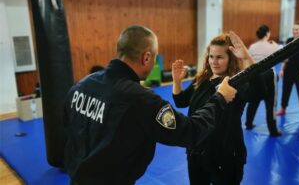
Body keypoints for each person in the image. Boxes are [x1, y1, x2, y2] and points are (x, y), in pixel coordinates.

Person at [62, 25, 238, 185]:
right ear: (146, 57)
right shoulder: (141, 99)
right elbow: (191, 131)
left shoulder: (81, 85)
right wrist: (220, 98)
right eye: (153, 58)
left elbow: (69, 131)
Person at [172, 31, 254, 185]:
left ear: (230, 59)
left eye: (220, 57)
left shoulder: (235, 83)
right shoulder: (202, 79)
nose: (214, 62)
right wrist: (177, 81)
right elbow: (181, 101)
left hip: (225, 156)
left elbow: (258, 91)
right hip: (197, 151)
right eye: (211, 56)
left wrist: (247, 58)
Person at [245, 25, 281, 137]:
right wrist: (276, 45)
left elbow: (248, 62)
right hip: (269, 74)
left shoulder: (252, 46)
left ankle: (248, 123)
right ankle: (273, 130)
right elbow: (284, 56)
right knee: (271, 103)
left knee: (253, 100)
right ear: (267, 34)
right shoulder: (272, 46)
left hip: (254, 74)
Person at [276, 22, 299, 124]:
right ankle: (283, 108)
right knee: (285, 91)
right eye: (293, 29)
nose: (295, 31)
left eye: (297, 29)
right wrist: (282, 69)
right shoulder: (289, 40)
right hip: (288, 70)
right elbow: (285, 56)